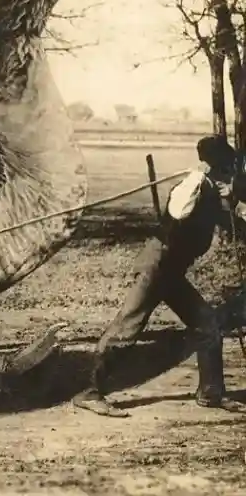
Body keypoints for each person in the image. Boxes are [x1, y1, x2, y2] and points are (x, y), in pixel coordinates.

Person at [72, 135, 246, 418]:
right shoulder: (196, 185)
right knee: (128, 325)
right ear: (219, 169)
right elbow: (177, 212)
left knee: (207, 323)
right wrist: (199, 184)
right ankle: (90, 392)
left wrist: (225, 201)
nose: (230, 177)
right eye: (227, 171)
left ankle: (211, 393)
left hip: (172, 270)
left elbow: (232, 224)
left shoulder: (213, 192)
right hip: (159, 264)